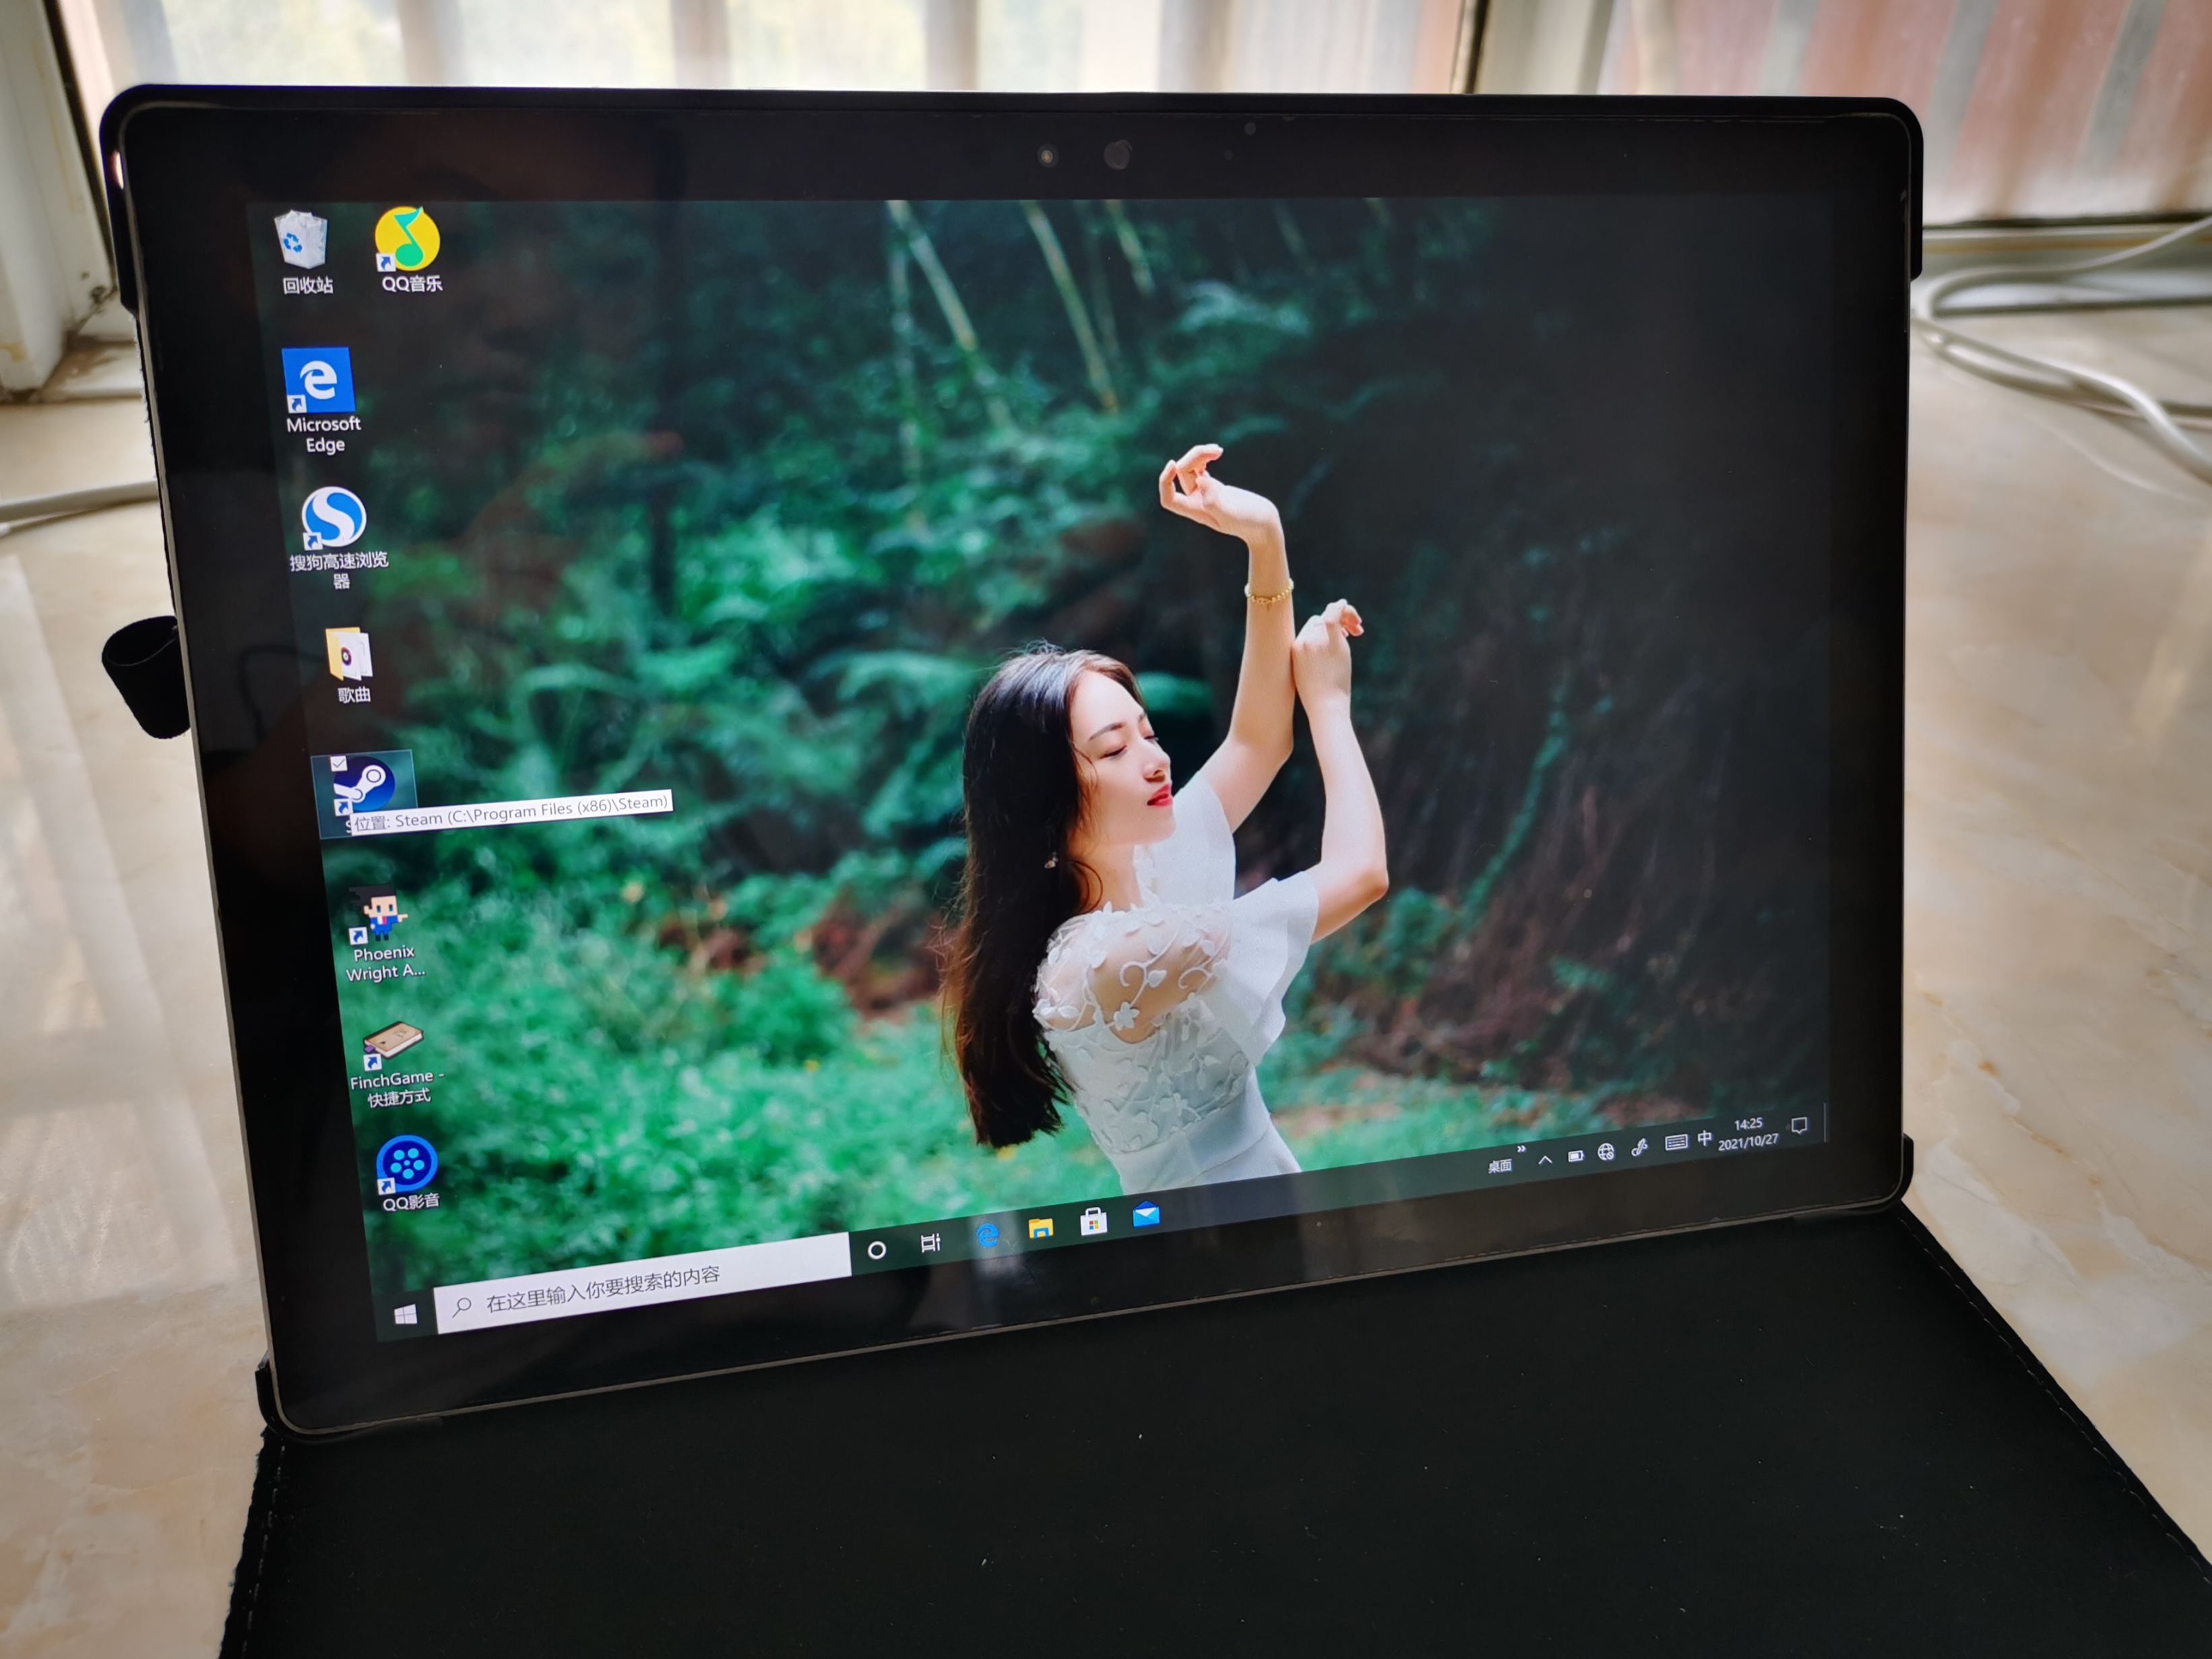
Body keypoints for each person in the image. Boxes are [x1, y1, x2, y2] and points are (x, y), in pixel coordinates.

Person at [944, 443, 1389, 1191]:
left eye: (1147, 732)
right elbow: (1361, 875)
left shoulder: (1140, 871)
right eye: (1114, 748)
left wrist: (1264, 541)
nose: (1155, 760)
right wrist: (1330, 707)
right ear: (1046, 796)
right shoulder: (1104, 957)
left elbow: (1255, 741)